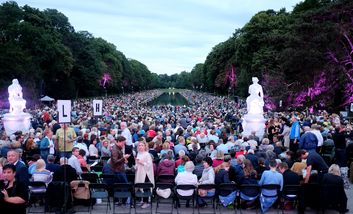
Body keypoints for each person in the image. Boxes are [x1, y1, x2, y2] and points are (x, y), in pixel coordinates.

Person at [135, 142, 155, 209]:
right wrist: (135, 166)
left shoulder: (147, 154)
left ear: (145, 146)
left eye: (142, 145)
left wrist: (142, 162)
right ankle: (142, 200)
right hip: (139, 172)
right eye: (139, 145)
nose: (140, 147)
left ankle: (146, 202)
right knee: (140, 185)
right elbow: (137, 163)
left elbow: (149, 165)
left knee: (145, 187)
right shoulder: (138, 153)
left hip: (145, 173)